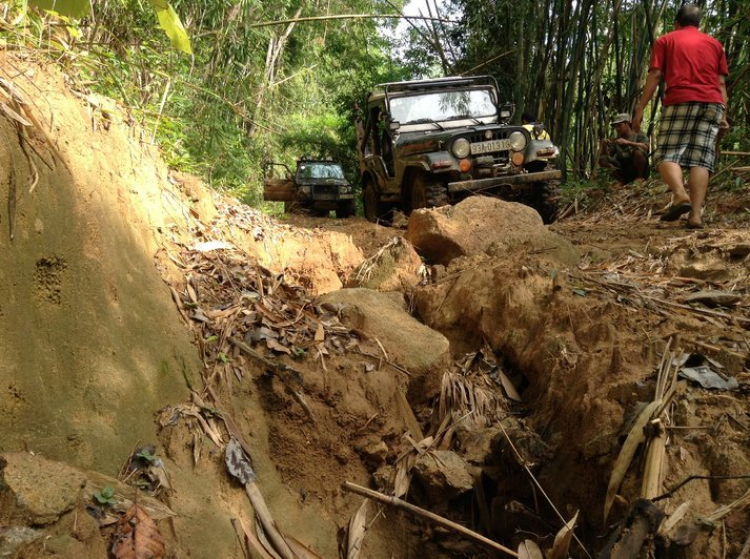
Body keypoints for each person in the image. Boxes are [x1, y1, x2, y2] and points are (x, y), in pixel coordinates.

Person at [633, 3, 729, 229]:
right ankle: (695, 216)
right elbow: (721, 82)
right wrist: (723, 113)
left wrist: (639, 110)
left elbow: (656, 75)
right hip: (712, 103)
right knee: (701, 160)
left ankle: (680, 195)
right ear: (699, 24)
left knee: (665, 154)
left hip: (681, 99)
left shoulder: (666, 40)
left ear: (676, 23)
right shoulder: (715, 44)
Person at [598, 113, 650, 184]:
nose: (617, 129)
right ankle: (621, 181)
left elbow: (646, 147)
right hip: (624, 170)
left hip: (638, 169)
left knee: (638, 152)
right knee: (603, 159)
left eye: (619, 126)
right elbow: (608, 157)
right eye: (615, 127)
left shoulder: (639, 135)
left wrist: (628, 143)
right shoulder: (616, 140)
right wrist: (604, 147)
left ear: (627, 124)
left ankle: (640, 177)